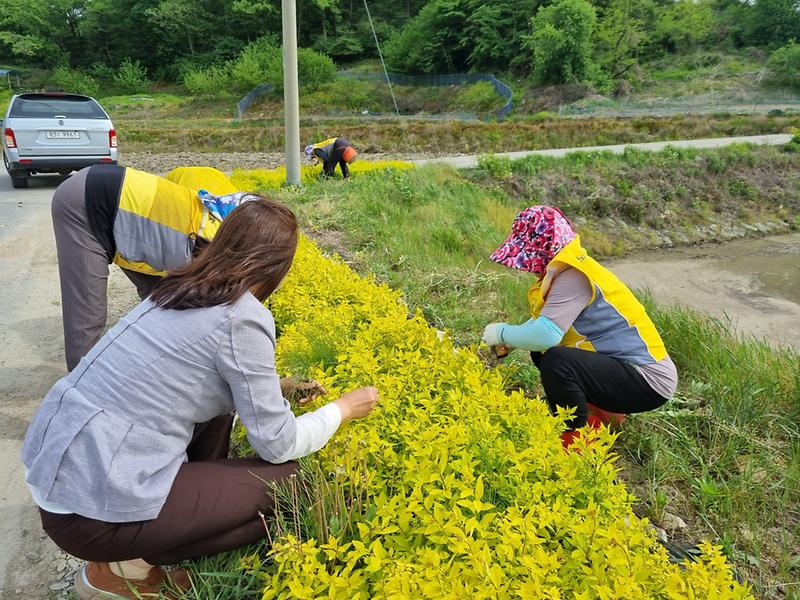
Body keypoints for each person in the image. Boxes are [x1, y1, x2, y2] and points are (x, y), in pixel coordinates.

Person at [22, 196, 380, 599]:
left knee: (221, 411)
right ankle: (126, 570)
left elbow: (182, 377)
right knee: (292, 484)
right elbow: (278, 444)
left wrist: (275, 386)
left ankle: (143, 545)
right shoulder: (242, 316)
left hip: (65, 480)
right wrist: (343, 409)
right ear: (277, 267)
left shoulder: (176, 288)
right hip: (89, 514)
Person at [482, 205, 677, 449]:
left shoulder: (574, 276)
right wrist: (511, 339)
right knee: (543, 353)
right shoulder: (570, 270)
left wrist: (501, 332)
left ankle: (574, 442)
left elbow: (545, 334)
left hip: (648, 380)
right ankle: (604, 414)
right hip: (631, 371)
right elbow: (547, 324)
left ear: (544, 250)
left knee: (557, 361)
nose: (527, 266)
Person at [51, 164, 240, 370]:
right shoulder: (213, 245)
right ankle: (82, 391)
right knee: (88, 315)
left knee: (160, 297)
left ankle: (153, 365)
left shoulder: (225, 221)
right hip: (86, 201)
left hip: (132, 211)